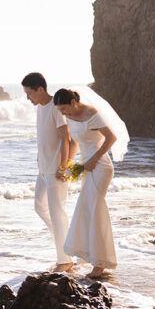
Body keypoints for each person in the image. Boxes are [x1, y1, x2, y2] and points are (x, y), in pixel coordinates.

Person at [52, 87, 129, 279]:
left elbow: (111, 138)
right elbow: (75, 143)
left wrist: (94, 159)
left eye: (64, 109)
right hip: (85, 166)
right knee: (86, 210)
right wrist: (68, 166)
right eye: (60, 111)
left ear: (73, 102)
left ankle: (101, 263)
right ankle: (92, 257)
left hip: (101, 166)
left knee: (95, 209)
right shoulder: (70, 116)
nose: (63, 113)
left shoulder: (92, 113)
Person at [21, 72, 73, 272]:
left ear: (40, 90)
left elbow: (65, 139)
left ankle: (65, 259)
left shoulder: (55, 108)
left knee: (56, 212)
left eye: (29, 93)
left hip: (55, 170)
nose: (28, 98)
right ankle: (66, 245)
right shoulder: (40, 108)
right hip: (42, 169)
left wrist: (63, 167)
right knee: (39, 207)